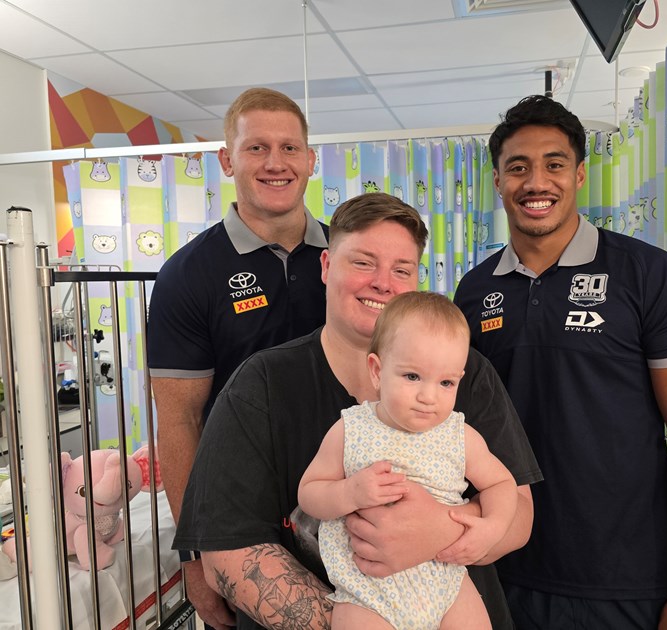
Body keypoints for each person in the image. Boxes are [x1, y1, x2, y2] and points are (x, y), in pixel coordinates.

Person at [172, 192, 543, 630]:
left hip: (453, 601)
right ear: (327, 265)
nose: (383, 283)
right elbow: (226, 552)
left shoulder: (465, 372)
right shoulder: (262, 385)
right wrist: (371, 616)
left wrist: (442, 529)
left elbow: (518, 510)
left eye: (401, 269)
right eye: (364, 262)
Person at [453, 95, 667, 630]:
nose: (536, 182)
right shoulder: (474, 291)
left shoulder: (648, 274)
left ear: (578, 175)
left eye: (554, 164)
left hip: (624, 577)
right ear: (498, 181)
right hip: (503, 567)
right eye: (518, 167)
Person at [147, 87, 327, 629]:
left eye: (289, 148)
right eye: (256, 148)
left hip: (350, 512)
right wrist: (193, 555)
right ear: (227, 160)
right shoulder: (187, 276)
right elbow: (179, 422)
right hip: (240, 529)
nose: (276, 163)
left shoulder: (350, 257)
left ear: (310, 160)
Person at [298, 291, 518, 629]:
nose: (428, 396)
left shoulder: (460, 435)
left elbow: (502, 483)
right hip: (369, 593)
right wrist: (349, 492)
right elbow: (309, 492)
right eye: (412, 377)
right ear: (377, 371)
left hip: (446, 584)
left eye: (445, 382)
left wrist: (493, 527)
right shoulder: (351, 429)